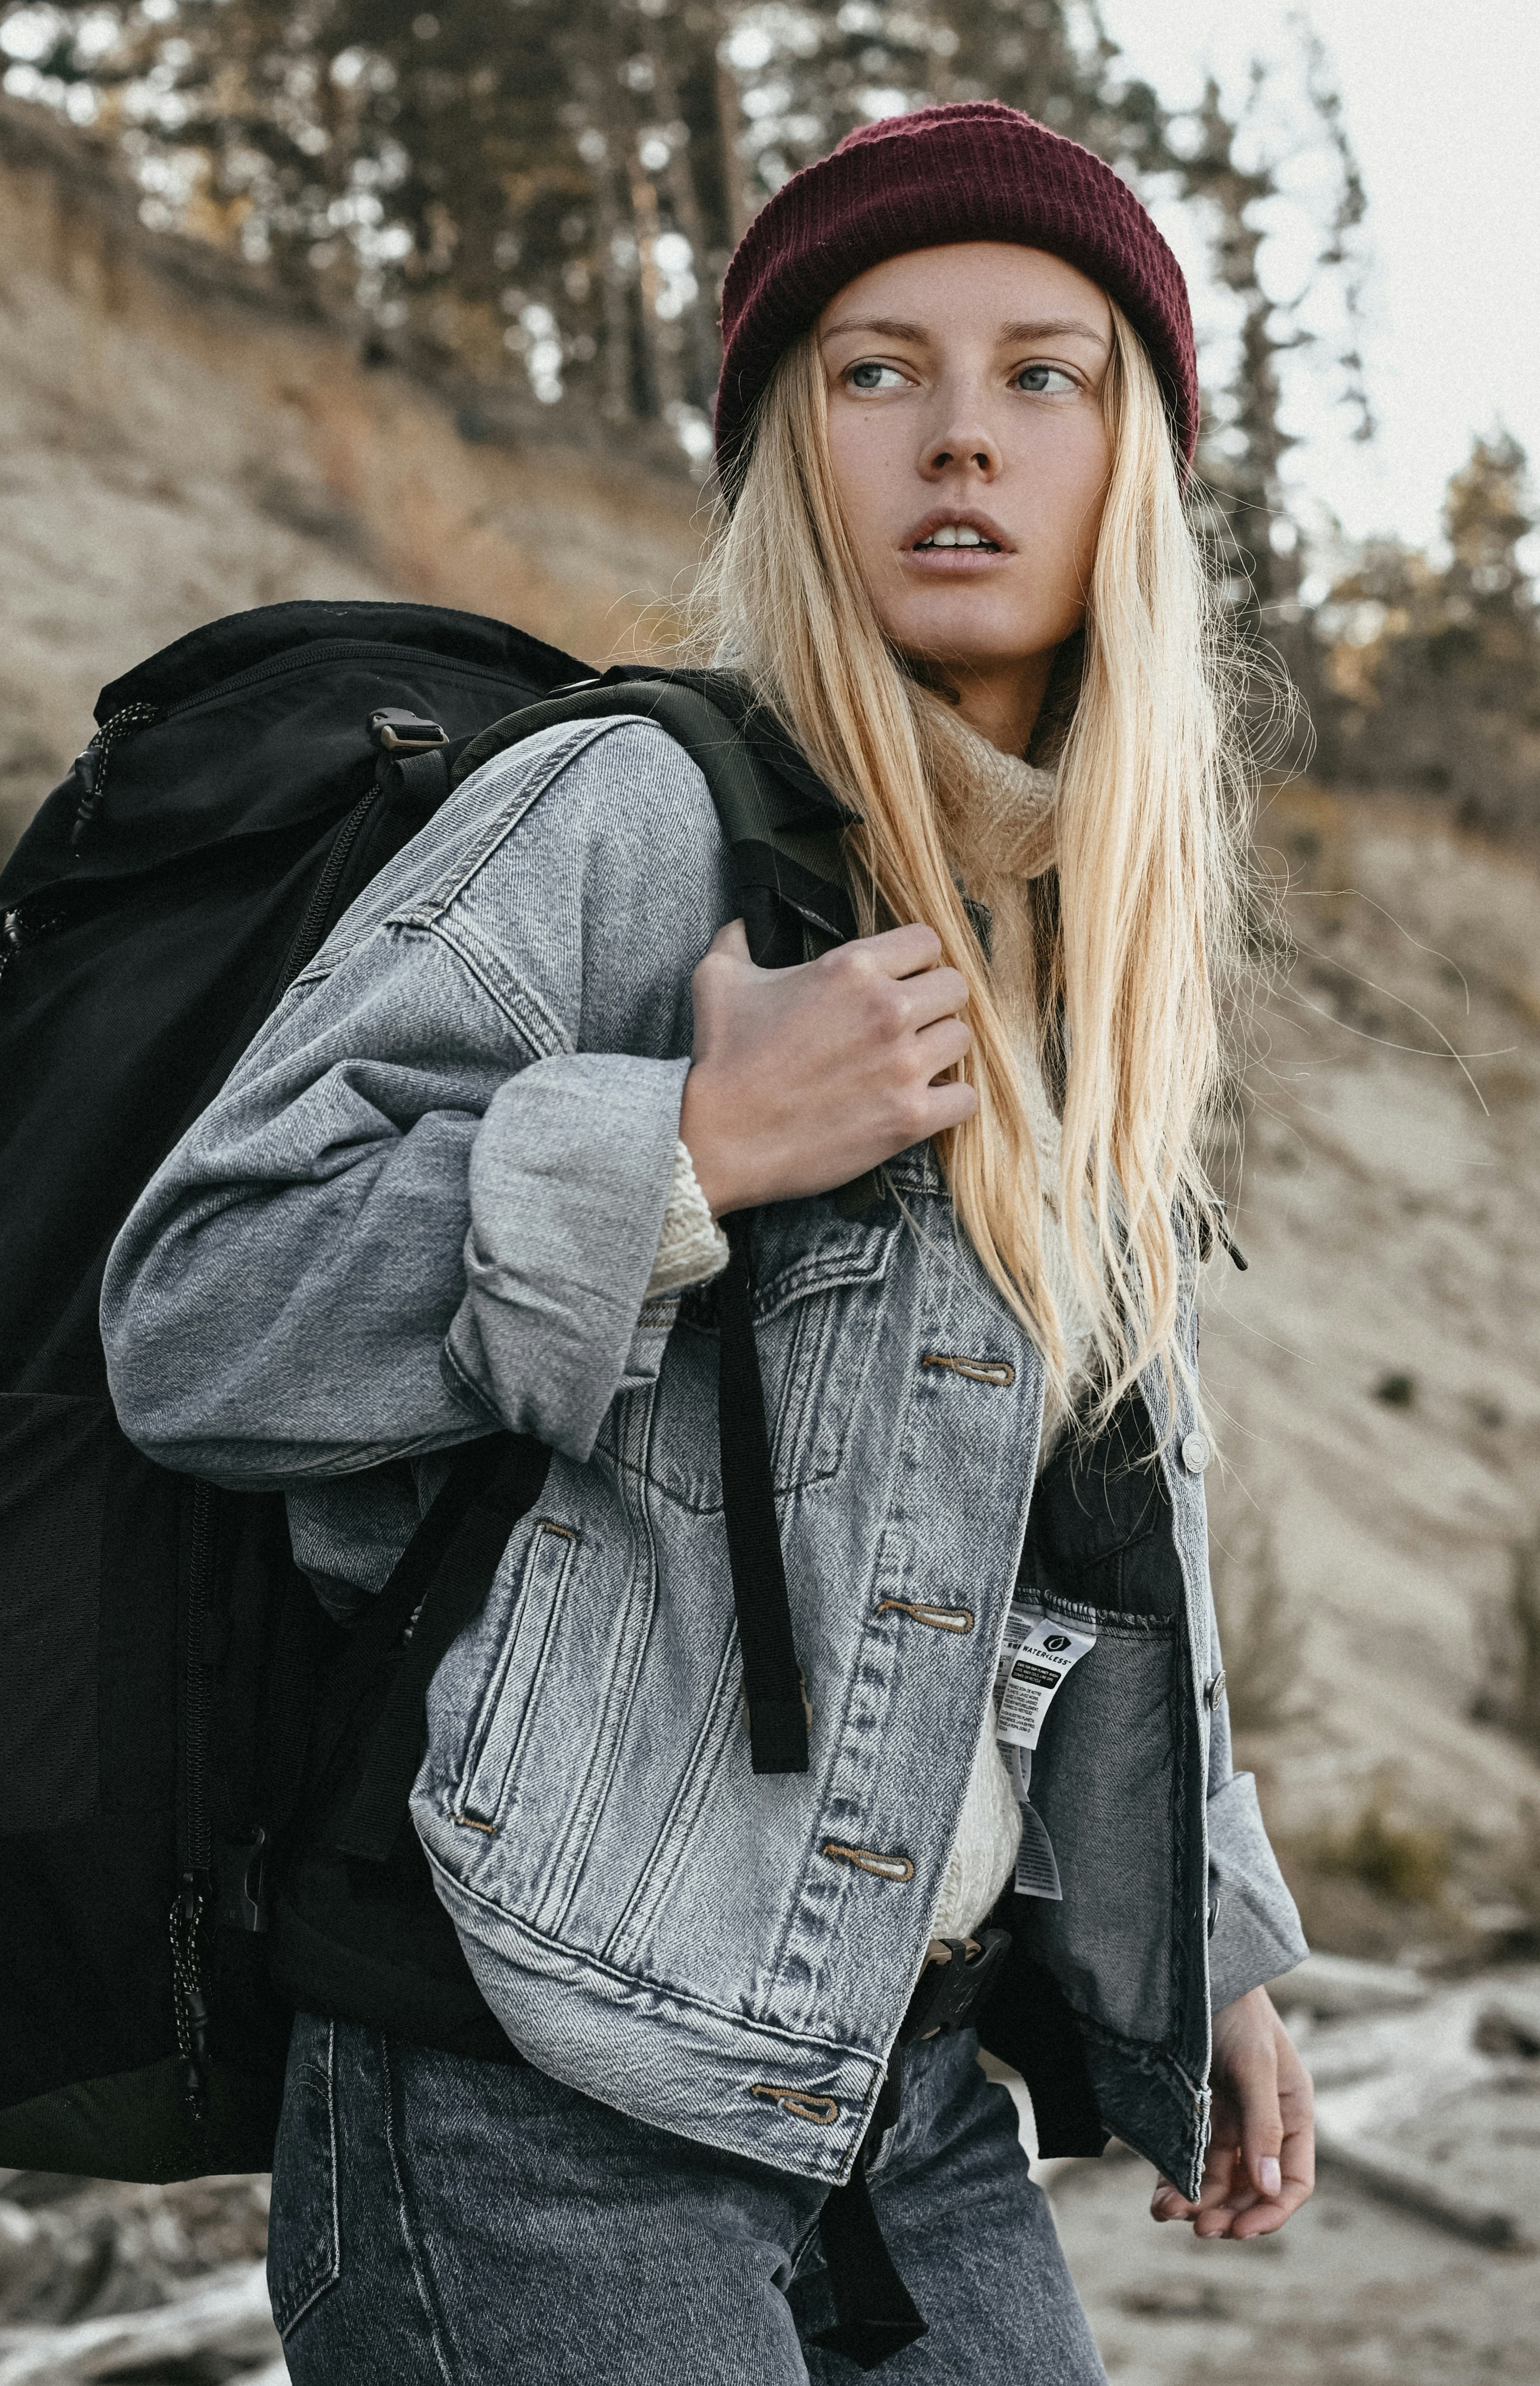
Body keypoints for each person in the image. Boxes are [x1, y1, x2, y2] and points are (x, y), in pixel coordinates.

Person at [100, 100, 1314, 2386]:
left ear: (1131, 458)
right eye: (875, 371)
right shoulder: (626, 811)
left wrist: (1208, 1927)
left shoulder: (1084, 930)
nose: (960, 436)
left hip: (894, 2086)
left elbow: (1090, 1509)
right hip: (520, 2077)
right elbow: (198, 1318)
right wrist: (677, 1142)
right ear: (786, 448)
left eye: (1042, 373)